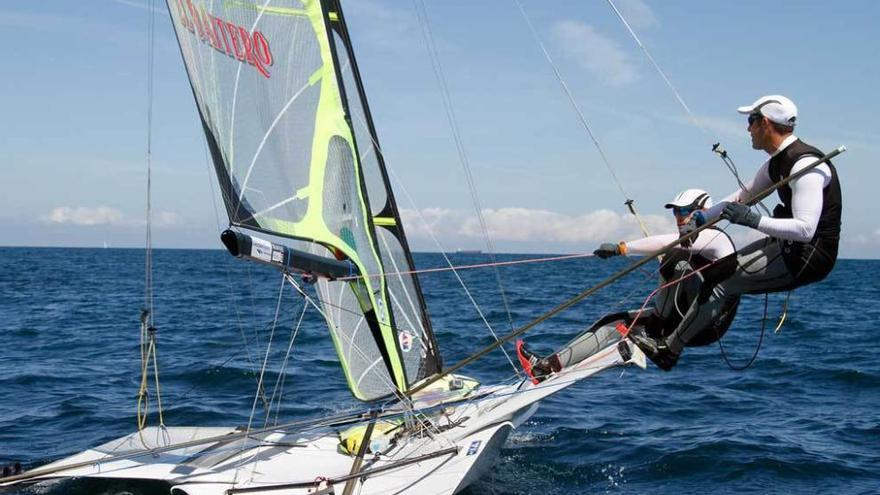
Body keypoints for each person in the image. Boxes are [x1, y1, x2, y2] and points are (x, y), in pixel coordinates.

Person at [628, 95, 842, 371]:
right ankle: (666, 333)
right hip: (788, 246)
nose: (747, 129)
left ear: (765, 123)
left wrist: (752, 221)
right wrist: (703, 218)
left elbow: (805, 229)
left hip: (809, 256)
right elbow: (741, 197)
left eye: (751, 122)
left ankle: (669, 350)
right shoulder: (776, 163)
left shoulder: (804, 166)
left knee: (720, 280)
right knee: (719, 274)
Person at [517, 189, 740, 382]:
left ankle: (656, 329)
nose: (679, 217)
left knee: (675, 258)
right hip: (679, 317)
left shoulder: (715, 238)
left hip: (707, 325)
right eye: (675, 212)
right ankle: (546, 368)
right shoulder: (691, 242)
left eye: (684, 211)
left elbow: (669, 243)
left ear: (702, 210)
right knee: (611, 323)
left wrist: (621, 248)